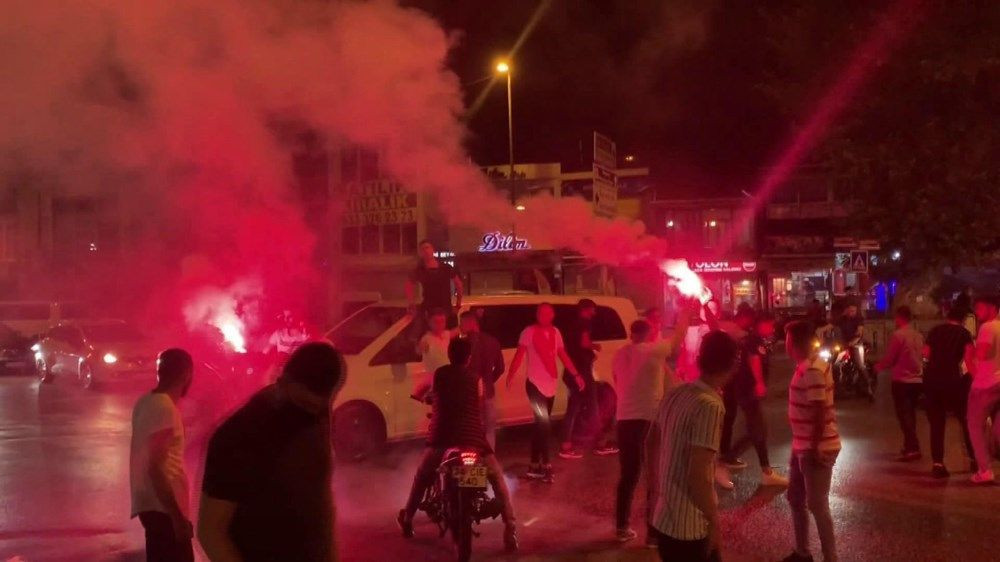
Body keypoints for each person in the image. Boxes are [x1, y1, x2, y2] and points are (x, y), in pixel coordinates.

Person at [198, 342, 346, 562]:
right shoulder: (238, 435)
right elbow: (210, 532)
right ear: (285, 381)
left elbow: (320, 503)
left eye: (322, 404)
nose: (311, 412)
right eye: (304, 402)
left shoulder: (317, 413)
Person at [398, 338, 518, 551]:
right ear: (468, 357)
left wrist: (427, 398)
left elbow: (423, 391)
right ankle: (510, 529)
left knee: (422, 477)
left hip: (441, 439)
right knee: (497, 479)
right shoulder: (477, 379)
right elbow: (477, 402)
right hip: (473, 440)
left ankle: (407, 519)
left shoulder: (439, 374)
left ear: (449, 355)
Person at [646, 330, 739, 562]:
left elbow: (650, 443)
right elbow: (697, 474)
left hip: (664, 519)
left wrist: (657, 489)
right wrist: (715, 524)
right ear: (732, 364)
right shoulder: (709, 405)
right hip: (691, 527)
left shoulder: (676, 393)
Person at [612, 302, 691, 544]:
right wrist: (685, 315)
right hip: (648, 419)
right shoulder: (653, 351)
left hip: (624, 420)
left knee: (629, 475)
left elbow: (617, 380)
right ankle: (653, 534)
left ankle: (621, 527)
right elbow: (677, 342)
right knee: (654, 477)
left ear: (631, 334)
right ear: (646, 334)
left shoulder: (620, 354)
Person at [782, 321, 841, 562]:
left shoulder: (813, 370)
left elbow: (819, 411)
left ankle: (831, 557)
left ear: (795, 343)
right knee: (795, 498)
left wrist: (814, 447)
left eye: (786, 339)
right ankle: (802, 552)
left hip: (815, 448)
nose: (784, 344)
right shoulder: (807, 367)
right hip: (802, 446)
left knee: (817, 504)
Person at [506, 303, 584, 483]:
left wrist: (576, 374)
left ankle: (534, 464)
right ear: (537, 314)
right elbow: (519, 355)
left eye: (547, 313)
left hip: (551, 384)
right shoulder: (528, 332)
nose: (544, 316)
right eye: (541, 313)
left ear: (552, 315)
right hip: (534, 384)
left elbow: (562, 355)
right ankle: (547, 464)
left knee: (540, 425)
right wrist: (511, 374)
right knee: (544, 424)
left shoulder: (556, 333)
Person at [130, 349, 195, 562]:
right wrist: (176, 517)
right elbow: (155, 467)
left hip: (155, 508)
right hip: (163, 511)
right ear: (187, 375)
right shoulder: (163, 408)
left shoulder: (146, 402)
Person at [719, 310, 788, 488]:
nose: (772, 328)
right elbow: (753, 359)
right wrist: (758, 382)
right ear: (761, 324)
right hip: (747, 389)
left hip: (744, 389)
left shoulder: (756, 339)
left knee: (756, 430)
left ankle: (729, 459)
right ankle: (727, 461)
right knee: (758, 430)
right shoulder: (753, 340)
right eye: (770, 325)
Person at [923, 306, 977, 478]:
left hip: (932, 380)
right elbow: (968, 360)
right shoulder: (964, 334)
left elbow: (925, 353)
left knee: (937, 424)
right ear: (963, 319)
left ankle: (938, 463)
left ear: (947, 315)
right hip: (955, 380)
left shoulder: (935, 331)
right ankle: (974, 460)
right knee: (966, 421)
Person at [560, 299, 617, 458]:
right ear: (586, 309)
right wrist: (595, 346)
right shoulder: (584, 323)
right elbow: (584, 343)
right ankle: (600, 444)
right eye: (593, 309)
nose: (594, 313)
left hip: (572, 371)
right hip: (583, 371)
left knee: (573, 408)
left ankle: (566, 445)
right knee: (593, 407)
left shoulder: (570, 325)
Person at [875, 306, 925, 461]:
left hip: (902, 379)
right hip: (917, 379)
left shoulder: (898, 335)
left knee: (904, 415)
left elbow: (891, 357)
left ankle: (913, 448)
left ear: (900, 317)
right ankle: (909, 445)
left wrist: (879, 367)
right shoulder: (918, 335)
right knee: (910, 414)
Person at [460, 311, 505, 450]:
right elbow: (501, 368)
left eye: (462, 324)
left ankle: (474, 460)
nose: (461, 327)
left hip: (470, 393)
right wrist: (490, 380)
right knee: (490, 429)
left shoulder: (464, 343)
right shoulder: (493, 341)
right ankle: (489, 459)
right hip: (488, 391)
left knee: (472, 429)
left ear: (471, 324)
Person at [968, 295, 1000, 484]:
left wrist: (971, 351)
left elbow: (981, 354)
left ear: (992, 307)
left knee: (975, 427)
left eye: (980, 308)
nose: (977, 312)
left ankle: (985, 471)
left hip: (985, 384)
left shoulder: (987, 328)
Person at [405, 240, 463, 328]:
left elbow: (458, 284)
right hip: (429, 310)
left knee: (447, 336)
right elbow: (409, 286)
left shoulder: (446, 268)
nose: (426, 251)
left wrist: (458, 304)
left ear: (433, 250)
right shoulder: (419, 270)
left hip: (445, 309)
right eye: (423, 249)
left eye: (427, 247)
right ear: (420, 253)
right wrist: (411, 304)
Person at [413, 308, 454, 402]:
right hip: (433, 380)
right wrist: (419, 347)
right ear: (429, 323)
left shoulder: (446, 334)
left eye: (442, 321)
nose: (439, 325)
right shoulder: (427, 338)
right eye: (436, 322)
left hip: (447, 379)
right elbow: (418, 351)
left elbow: (458, 330)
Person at [836, 303, 872, 398]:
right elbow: (832, 326)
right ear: (846, 310)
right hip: (844, 345)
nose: (853, 312)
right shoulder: (841, 319)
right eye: (851, 310)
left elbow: (859, 332)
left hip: (856, 344)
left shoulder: (858, 319)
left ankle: (869, 388)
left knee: (860, 365)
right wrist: (821, 330)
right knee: (834, 362)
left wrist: (853, 342)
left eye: (854, 311)